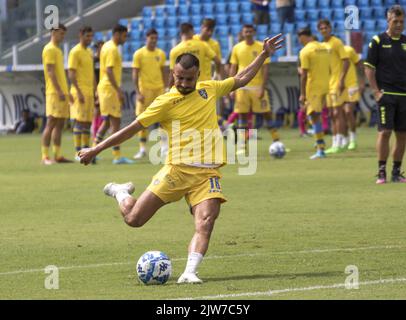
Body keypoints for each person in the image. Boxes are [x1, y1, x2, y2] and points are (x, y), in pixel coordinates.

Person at [78, 35, 284, 284]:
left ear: (197, 75)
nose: (183, 83)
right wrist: (96, 149)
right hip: (176, 172)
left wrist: (263, 55)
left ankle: (189, 272)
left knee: (206, 220)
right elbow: (131, 128)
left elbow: (240, 79)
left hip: (207, 174)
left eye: (188, 78)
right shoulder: (164, 102)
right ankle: (121, 193)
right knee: (134, 220)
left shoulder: (209, 89)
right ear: (172, 74)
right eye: (178, 78)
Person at [364, 5, 406, 184]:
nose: (398, 25)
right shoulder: (377, 41)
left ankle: (396, 172)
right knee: (385, 132)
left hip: (404, 96)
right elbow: (368, 67)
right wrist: (375, 90)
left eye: (401, 22)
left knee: (402, 135)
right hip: (386, 94)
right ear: (388, 21)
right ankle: (381, 171)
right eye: (395, 21)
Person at [229, 24, 282, 155]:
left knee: (267, 113)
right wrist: (231, 87)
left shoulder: (260, 46)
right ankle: (241, 146)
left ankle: (276, 141)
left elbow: (265, 68)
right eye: (246, 31)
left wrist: (263, 87)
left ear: (254, 32)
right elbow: (233, 67)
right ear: (242, 33)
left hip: (257, 87)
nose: (248, 33)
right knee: (242, 115)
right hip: (242, 87)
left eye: (250, 31)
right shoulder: (237, 48)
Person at [94, 24, 134, 165]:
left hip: (105, 88)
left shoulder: (105, 46)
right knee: (115, 122)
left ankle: (93, 150)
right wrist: (118, 90)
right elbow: (109, 70)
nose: (125, 39)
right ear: (117, 34)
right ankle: (117, 156)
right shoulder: (112, 48)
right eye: (124, 35)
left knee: (106, 122)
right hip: (110, 89)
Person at [41, 23, 73, 165]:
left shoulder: (58, 50)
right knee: (51, 123)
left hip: (61, 92)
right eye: (61, 33)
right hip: (54, 92)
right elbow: (50, 72)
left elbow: (60, 73)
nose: (62, 36)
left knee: (60, 124)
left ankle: (58, 155)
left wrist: (66, 91)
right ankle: (45, 156)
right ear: (53, 32)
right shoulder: (49, 49)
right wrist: (59, 91)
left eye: (64, 34)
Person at [132, 28, 167, 160]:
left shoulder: (161, 54)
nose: (153, 41)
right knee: (142, 120)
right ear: (146, 38)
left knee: (162, 119)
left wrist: (166, 88)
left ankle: (164, 147)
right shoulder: (139, 54)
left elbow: (164, 72)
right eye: (151, 38)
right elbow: (135, 73)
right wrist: (137, 92)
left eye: (155, 38)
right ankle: (142, 149)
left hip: (159, 90)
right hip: (144, 91)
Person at [298, 28, 331, 160]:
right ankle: (319, 143)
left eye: (300, 39)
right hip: (325, 85)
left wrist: (302, 93)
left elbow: (304, 75)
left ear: (303, 37)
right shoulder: (324, 47)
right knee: (316, 116)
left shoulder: (305, 51)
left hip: (314, 88)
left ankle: (320, 148)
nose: (300, 42)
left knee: (314, 116)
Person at [318, 19, 350, 154]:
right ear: (319, 30)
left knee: (338, 113)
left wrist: (341, 80)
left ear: (330, 28)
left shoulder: (336, 42)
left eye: (326, 28)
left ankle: (340, 140)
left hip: (336, 82)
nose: (324, 30)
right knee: (331, 114)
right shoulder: (321, 45)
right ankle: (337, 141)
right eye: (322, 28)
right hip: (327, 83)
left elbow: (346, 61)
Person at [68, 26, 95, 161]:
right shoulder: (75, 52)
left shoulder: (89, 52)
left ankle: (85, 151)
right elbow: (71, 74)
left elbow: (91, 73)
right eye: (87, 36)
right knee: (79, 122)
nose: (89, 39)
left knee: (87, 123)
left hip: (89, 92)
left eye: (91, 36)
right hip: (80, 91)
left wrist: (95, 91)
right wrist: (78, 91)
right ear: (81, 35)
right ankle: (77, 153)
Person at [342, 44, 365, 151]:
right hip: (337, 86)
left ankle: (353, 139)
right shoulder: (328, 52)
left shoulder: (349, 50)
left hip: (352, 85)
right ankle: (344, 139)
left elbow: (359, 65)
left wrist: (361, 83)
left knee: (348, 112)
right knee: (339, 115)